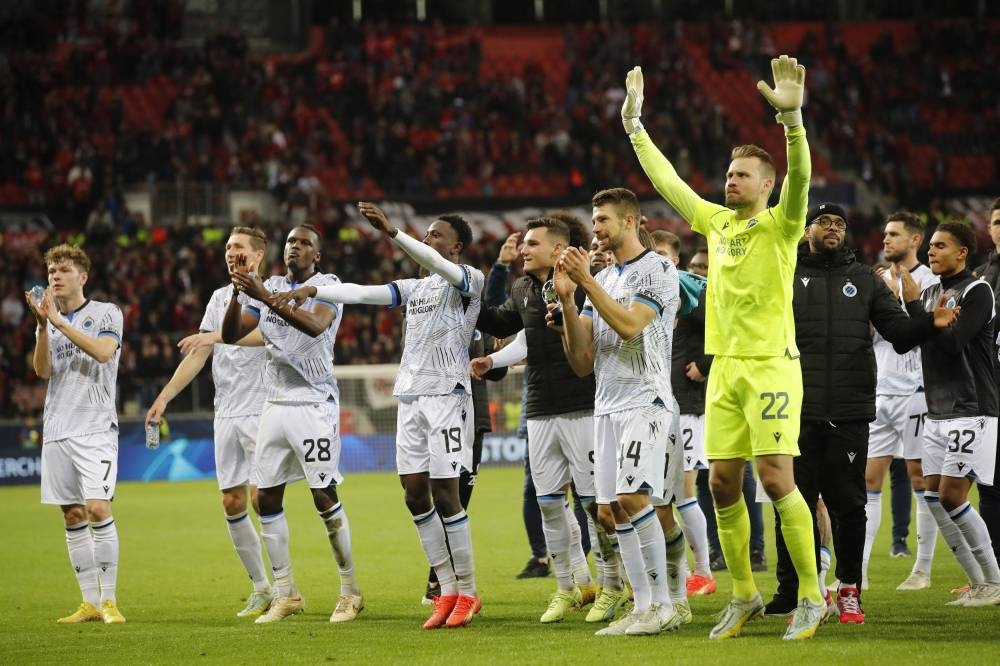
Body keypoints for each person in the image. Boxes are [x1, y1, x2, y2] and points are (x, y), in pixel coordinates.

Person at [624, 55, 825, 640]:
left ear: (766, 185)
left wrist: (792, 125)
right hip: (724, 370)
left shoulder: (783, 225)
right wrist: (636, 128)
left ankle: (811, 596)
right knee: (719, 483)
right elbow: (668, 183)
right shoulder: (716, 223)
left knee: (776, 477)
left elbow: (803, 181)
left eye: (742, 175)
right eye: (729, 173)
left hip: (771, 367)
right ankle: (744, 595)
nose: (730, 180)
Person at [274, 203, 484, 629]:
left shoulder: (468, 281)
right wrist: (316, 291)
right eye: (425, 233)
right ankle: (445, 588)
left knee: (447, 495)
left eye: (435, 235)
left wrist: (392, 232)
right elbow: (365, 293)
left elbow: (430, 261)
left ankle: (468, 590)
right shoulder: (415, 288)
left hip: (447, 396)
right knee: (413, 494)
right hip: (410, 398)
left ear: (456, 246)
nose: (427, 240)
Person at [765, 203, 957, 625]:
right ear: (807, 230)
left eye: (839, 223)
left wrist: (929, 321)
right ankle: (791, 589)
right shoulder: (784, 273)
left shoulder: (864, 280)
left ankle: (849, 588)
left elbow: (900, 335)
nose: (833, 228)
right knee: (793, 502)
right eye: (824, 222)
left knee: (849, 504)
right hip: (795, 407)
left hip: (850, 408)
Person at [473, 216, 623, 625]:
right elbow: (505, 324)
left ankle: (612, 585)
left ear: (557, 250)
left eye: (532, 244)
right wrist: (470, 302)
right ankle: (568, 585)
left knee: (595, 506)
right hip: (539, 408)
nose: (524, 250)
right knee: (549, 503)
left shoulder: (583, 281)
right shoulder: (523, 287)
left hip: (583, 405)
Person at [221, 224, 362, 624]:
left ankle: (350, 591)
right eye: (290, 243)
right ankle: (287, 594)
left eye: (304, 243)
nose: (294, 248)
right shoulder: (270, 284)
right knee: (265, 498)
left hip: (314, 404)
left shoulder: (328, 286)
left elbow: (315, 326)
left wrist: (262, 294)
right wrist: (238, 291)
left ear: (317, 254)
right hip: (274, 403)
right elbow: (232, 334)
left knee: (323, 496)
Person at [556, 187, 682, 636]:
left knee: (634, 500)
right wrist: (569, 301)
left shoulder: (658, 269)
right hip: (606, 404)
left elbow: (630, 327)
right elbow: (581, 361)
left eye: (603, 220)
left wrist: (585, 280)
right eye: (594, 222)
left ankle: (666, 603)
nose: (596, 229)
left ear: (630, 221)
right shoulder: (605, 280)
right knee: (613, 511)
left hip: (644, 400)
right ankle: (643, 606)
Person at [144, 226, 273, 618]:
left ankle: (286, 588)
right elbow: (198, 354)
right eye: (228, 247)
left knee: (260, 496)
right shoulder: (219, 298)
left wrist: (216, 337)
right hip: (227, 412)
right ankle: (261, 587)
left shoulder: (271, 294)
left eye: (239, 247)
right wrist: (164, 397)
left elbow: (267, 337)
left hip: (263, 409)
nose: (231, 252)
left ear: (258, 255)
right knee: (231, 501)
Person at [895, 221, 1000, 607]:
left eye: (941, 246)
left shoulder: (977, 291)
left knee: (953, 495)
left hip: (971, 408)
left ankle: (994, 580)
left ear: (962, 252)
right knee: (933, 495)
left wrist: (929, 320)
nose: (931, 252)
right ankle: (979, 584)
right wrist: (911, 307)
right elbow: (911, 341)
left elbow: (954, 342)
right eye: (931, 247)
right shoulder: (931, 293)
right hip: (937, 409)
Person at [26, 244, 126, 624]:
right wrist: (41, 326)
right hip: (57, 428)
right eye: (51, 270)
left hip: (95, 427)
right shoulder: (49, 321)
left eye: (63, 270)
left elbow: (103, 353)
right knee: (72, 515)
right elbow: (43, 371)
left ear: (82, 277)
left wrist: (60, 323)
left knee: (98, 508)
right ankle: (87, 604)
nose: (55, 276)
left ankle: (109, 600)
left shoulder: (106, 312)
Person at [863, 211, 940, 592]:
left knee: (919, 477)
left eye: (893, 234)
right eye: (885, 234)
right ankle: (857, 573)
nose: (885, 240)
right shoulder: (875, 282)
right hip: (879, 390)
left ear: (915, 240)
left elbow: (932, 333)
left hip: (917, 392)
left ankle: (921, 570)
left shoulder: (930, 281)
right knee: (869, 479)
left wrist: (906, 305)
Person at [650, 231, 716, 596]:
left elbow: (724, 323)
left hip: (688, 405)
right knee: (659, 497)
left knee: (684, 491)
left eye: (662, 253)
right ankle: (675, 571)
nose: (657, 259)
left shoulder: (691, 287)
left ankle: (703, 571)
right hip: (656, 404)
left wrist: (704, 364)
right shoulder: (646, 288)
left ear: (674, 259)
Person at [972, 197, 1000, 560]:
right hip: (988, 392)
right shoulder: (981, 277)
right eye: (997, 221)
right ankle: (995, 573)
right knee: (990, 485)